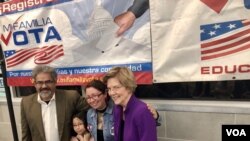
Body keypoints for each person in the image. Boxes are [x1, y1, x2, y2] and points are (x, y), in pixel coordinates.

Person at [21, 65, 89, 141]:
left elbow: (93, 108)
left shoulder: (71, 97)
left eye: (48, 81)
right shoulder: (26, 103)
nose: (44, 86)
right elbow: (26, 134)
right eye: (40, 82)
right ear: (35, 83)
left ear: (55, 81)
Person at [85, 79, 159, 141]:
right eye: (88, 97)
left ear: (105, 94)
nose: (91, 100)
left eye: (94, 96)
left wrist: (156, 115)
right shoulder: (89, 113)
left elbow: (142, 122)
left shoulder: (117, 108)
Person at [103, 66, 157, 141]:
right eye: (109, 89)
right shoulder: (117, 108)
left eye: (116, 87)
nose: (111, 93)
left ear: (128, 87)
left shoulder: (142, 111)